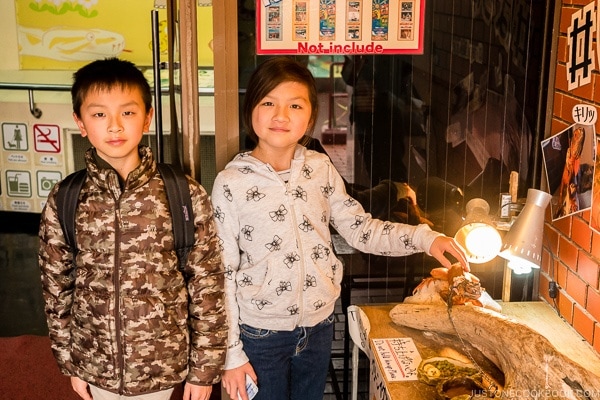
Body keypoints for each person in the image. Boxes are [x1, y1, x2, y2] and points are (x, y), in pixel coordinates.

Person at [211, 56, 468, 400]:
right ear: (251, 109)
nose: (281, 115)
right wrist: (231, 354)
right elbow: (221, 272)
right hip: (260, 336)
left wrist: (425, 237)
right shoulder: (231, 182)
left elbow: (362, 229)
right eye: (268, 102)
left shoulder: (319, 168)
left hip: (319, 328)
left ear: (310, 116)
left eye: (295, 105)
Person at [38, 58, 227, 400]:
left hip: (164, 366)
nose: (114, 126)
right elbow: (56, 285)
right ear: (80, 123)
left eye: (127, 112)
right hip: (95, 365)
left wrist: (204, 370)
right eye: (99, 114)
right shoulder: (66, 197)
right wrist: (70, 361)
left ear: (147, 118)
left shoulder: (182, 193)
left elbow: (207, 284)